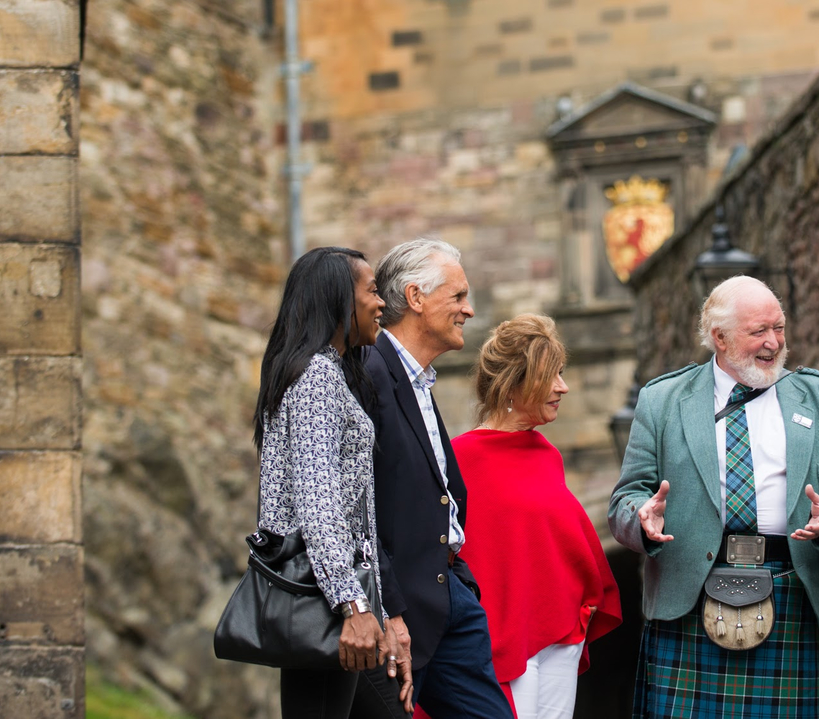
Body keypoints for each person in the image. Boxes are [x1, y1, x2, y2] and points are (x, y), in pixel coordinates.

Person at [609, 275, 819, 719]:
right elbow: (627, 495)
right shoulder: (663, 400)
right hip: (688, 596)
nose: (774, 342)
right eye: (759, 331)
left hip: (786, 587)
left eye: (780, 327)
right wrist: (641, 518)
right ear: (719, 337)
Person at [355, 238, 514, 719]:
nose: (469, 309)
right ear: (416, 298)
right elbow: (355, 507)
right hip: (394, 610)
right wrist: (387, 608)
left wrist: (459, 582)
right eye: (459, 296)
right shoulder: (366, 371)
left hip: (448, 599)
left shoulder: (420, 379)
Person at [252, 246, 413, 719]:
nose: (382, 302)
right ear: (338, 301)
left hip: (340, 600)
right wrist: (352, 606)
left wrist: (372, 609)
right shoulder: (315, 378)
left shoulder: (331, 373)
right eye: (371, 291)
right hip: (324, 602)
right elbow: (319, 501)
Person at [449, 314, 622, 719]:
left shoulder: (547, 455)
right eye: (551, 375)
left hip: (560, 632)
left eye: (562, 373)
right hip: (499, 638)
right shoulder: (458, 459)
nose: (563, 387)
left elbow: (559, 542)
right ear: (515, 383)